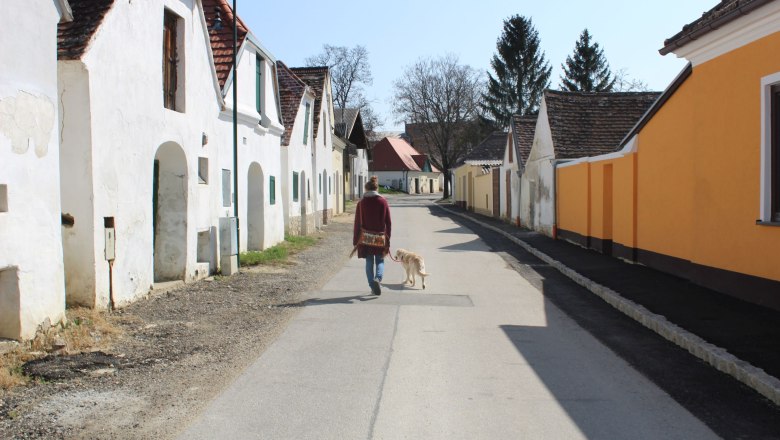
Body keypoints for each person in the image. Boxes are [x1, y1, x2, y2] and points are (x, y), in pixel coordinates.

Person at [353, 176, 391, 295]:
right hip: (380, 237)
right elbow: (388, 222)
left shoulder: (361, 203)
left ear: (366, 189)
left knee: (369, 261)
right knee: (380, 261)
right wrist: (387, 238)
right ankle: (377, 279)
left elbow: (357, 222)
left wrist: (356, 239)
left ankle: (371, 285)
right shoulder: (383, 201)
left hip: (366, 237)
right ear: (376, 188)